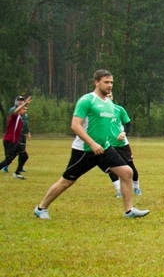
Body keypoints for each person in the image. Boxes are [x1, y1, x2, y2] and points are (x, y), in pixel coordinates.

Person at [33, 70, 149, 220]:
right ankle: (41, 208)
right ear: (96, 82)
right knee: (67, 181)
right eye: (106, 82)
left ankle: (129, 211)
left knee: (127, 172)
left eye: (111, 82)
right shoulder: (87, 100)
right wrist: (92, 144)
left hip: (104, 148)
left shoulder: (109, 103)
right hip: (85, 150)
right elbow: (75, 125)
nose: (110, 85)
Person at [104, 95, 143, 198]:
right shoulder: (98, 112)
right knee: (112, 168)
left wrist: (124, 133)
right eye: (106, 96)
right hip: (108, 144)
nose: (108, 97)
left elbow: (128, 124)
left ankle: (136, 187)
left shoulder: (119, 109)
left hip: (122, 145)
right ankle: (119, 191)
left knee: (131, 167)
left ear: (112, 97)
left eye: (110, 95)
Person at [2, 95, 31, 178]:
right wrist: (25, 103)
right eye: (24, 109)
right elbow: (15, 111)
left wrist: (28, 133)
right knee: (8, 160)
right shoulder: (14, 116)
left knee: (24, 155)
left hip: (15, 141)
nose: (25, 111)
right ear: (19, 110)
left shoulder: (21, 118)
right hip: (9, 141)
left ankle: (17, 173)